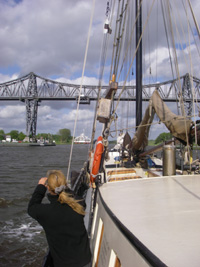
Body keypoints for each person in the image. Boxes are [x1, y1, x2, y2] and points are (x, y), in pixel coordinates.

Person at [28, 170, 91, 267]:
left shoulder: (46, 212)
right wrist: (64, 188)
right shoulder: (78, 204)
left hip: (63, 263)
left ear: (48, 188)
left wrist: (40, 187)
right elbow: (74, 197)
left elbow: (31, 207)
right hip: (84, 260)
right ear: (65, 185)